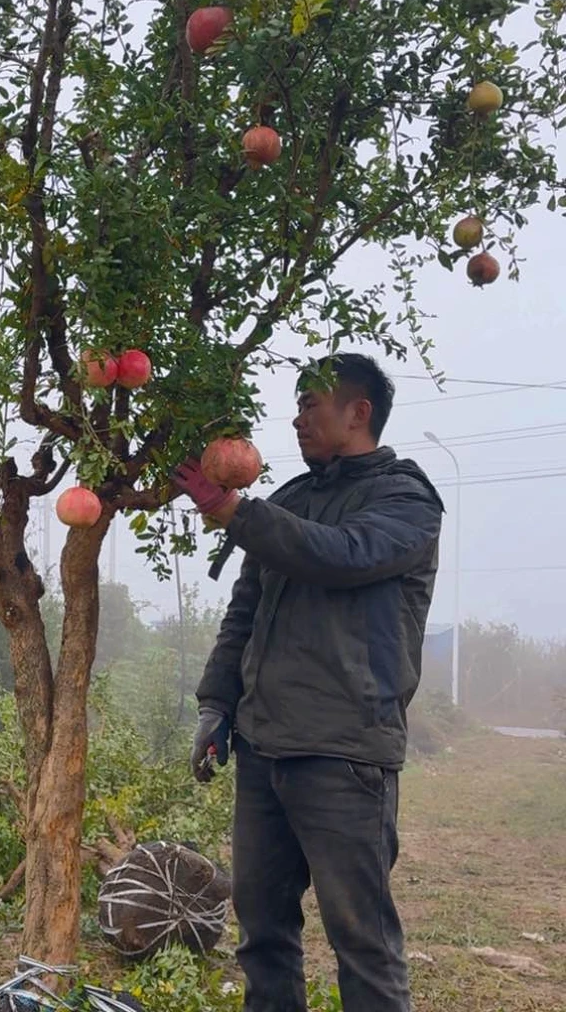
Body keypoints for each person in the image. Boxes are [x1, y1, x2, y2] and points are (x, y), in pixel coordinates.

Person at [171, 353, 444, 1012]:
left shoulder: (405, 498)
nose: (296, 420)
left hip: (345, 753)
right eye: (295, 407)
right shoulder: (290, 499)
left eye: (310, 406)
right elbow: (245, 613)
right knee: (262, 932)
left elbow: (342, 556)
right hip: (265, 751)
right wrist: (217, 706)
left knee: (362, 941)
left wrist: (240, 513)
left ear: (359, 412)